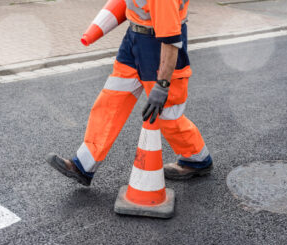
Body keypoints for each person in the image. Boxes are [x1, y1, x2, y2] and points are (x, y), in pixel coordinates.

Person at [46, 0, 213, 186]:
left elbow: (171, 40)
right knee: (110, 101)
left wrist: (163, 85)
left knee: (168, 116)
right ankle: (83, 165)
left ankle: (197, 159)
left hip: (160, 48)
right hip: (134, 40)